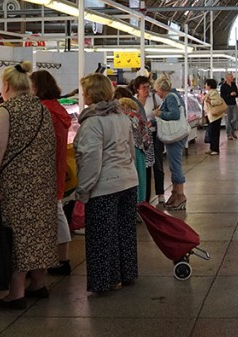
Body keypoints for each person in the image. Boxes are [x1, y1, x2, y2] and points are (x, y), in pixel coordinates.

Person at [0, 62, 57, 309]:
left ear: (7, 85)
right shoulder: (42, 109)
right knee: (38, 232)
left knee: (15, 236)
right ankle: (39, 284)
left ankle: (16, 293)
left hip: (14, 185)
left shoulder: (5, 111)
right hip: (41, 182)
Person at [73, 73, 139, 294]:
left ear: (91, 93)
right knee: (124, 232)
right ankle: (126, 273)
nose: (83, 95)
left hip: (105, 186)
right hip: (128, 181)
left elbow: (91, 161)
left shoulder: (92, 122)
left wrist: (83, 191)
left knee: (102, 236)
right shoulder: (121, 116)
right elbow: (130, 150)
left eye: (84, 91)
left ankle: (105, 281)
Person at [30, 69, 73, 276]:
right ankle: (61, 258)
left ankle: (55, 261)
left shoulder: (42, 110)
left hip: (42, 170)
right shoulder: (57, 108)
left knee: (54, 213)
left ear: (37, 87)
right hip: (56, 165)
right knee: (57, 211)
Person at [153, 76, 188, 210]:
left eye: (157, 91)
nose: (157, 94)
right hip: (177, 135)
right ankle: (174, 193)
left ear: (161, 89)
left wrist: (159, 113)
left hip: (175, 136)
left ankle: (180, 195)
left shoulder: (170, 97)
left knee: (175, 166)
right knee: (174, 165)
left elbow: (174, 115)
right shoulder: (175, 95)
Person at [130, 76, 160, 206]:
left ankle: (152, 197)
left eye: (148, 87)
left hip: (152, 137)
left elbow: (162, 115)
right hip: (138, 141)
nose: (147, 90)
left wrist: (154, 121)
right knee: (141, 170)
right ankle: (141, 201)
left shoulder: (154, 99)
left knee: (153, 168)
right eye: (144, 87)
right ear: (137, 89)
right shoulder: (133, 102)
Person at [117, 94, 150, 204]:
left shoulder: (124, 120)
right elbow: (147, 140)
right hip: (140, 152)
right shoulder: (139, 118)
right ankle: (141, 204)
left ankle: (132, 205)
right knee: (140, 180)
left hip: (129, 152)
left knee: (131, 182)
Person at [202, 78, 225, 155]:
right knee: (211, 132)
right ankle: (212, 148)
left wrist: (210, 101)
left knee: (215, 133)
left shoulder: (214, 93)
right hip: (211, 116)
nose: (205, 86)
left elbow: (219, 101)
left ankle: (215, 149)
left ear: (209, 85)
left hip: (215, 116)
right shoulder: (209, 93)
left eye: (206, 84)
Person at [220, 73, 238, 141]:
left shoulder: (234, 85)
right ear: (227, 78)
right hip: (226, 104)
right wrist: (230, 94)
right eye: (231, 77)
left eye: (232, 77)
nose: (232, 78)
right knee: (227, 119)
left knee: (236, 117)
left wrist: (235, 94)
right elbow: (222, 96)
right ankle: (229, 134)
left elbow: (237, 94)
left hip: (234, 103)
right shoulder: (223, 86)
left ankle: (233, 130)